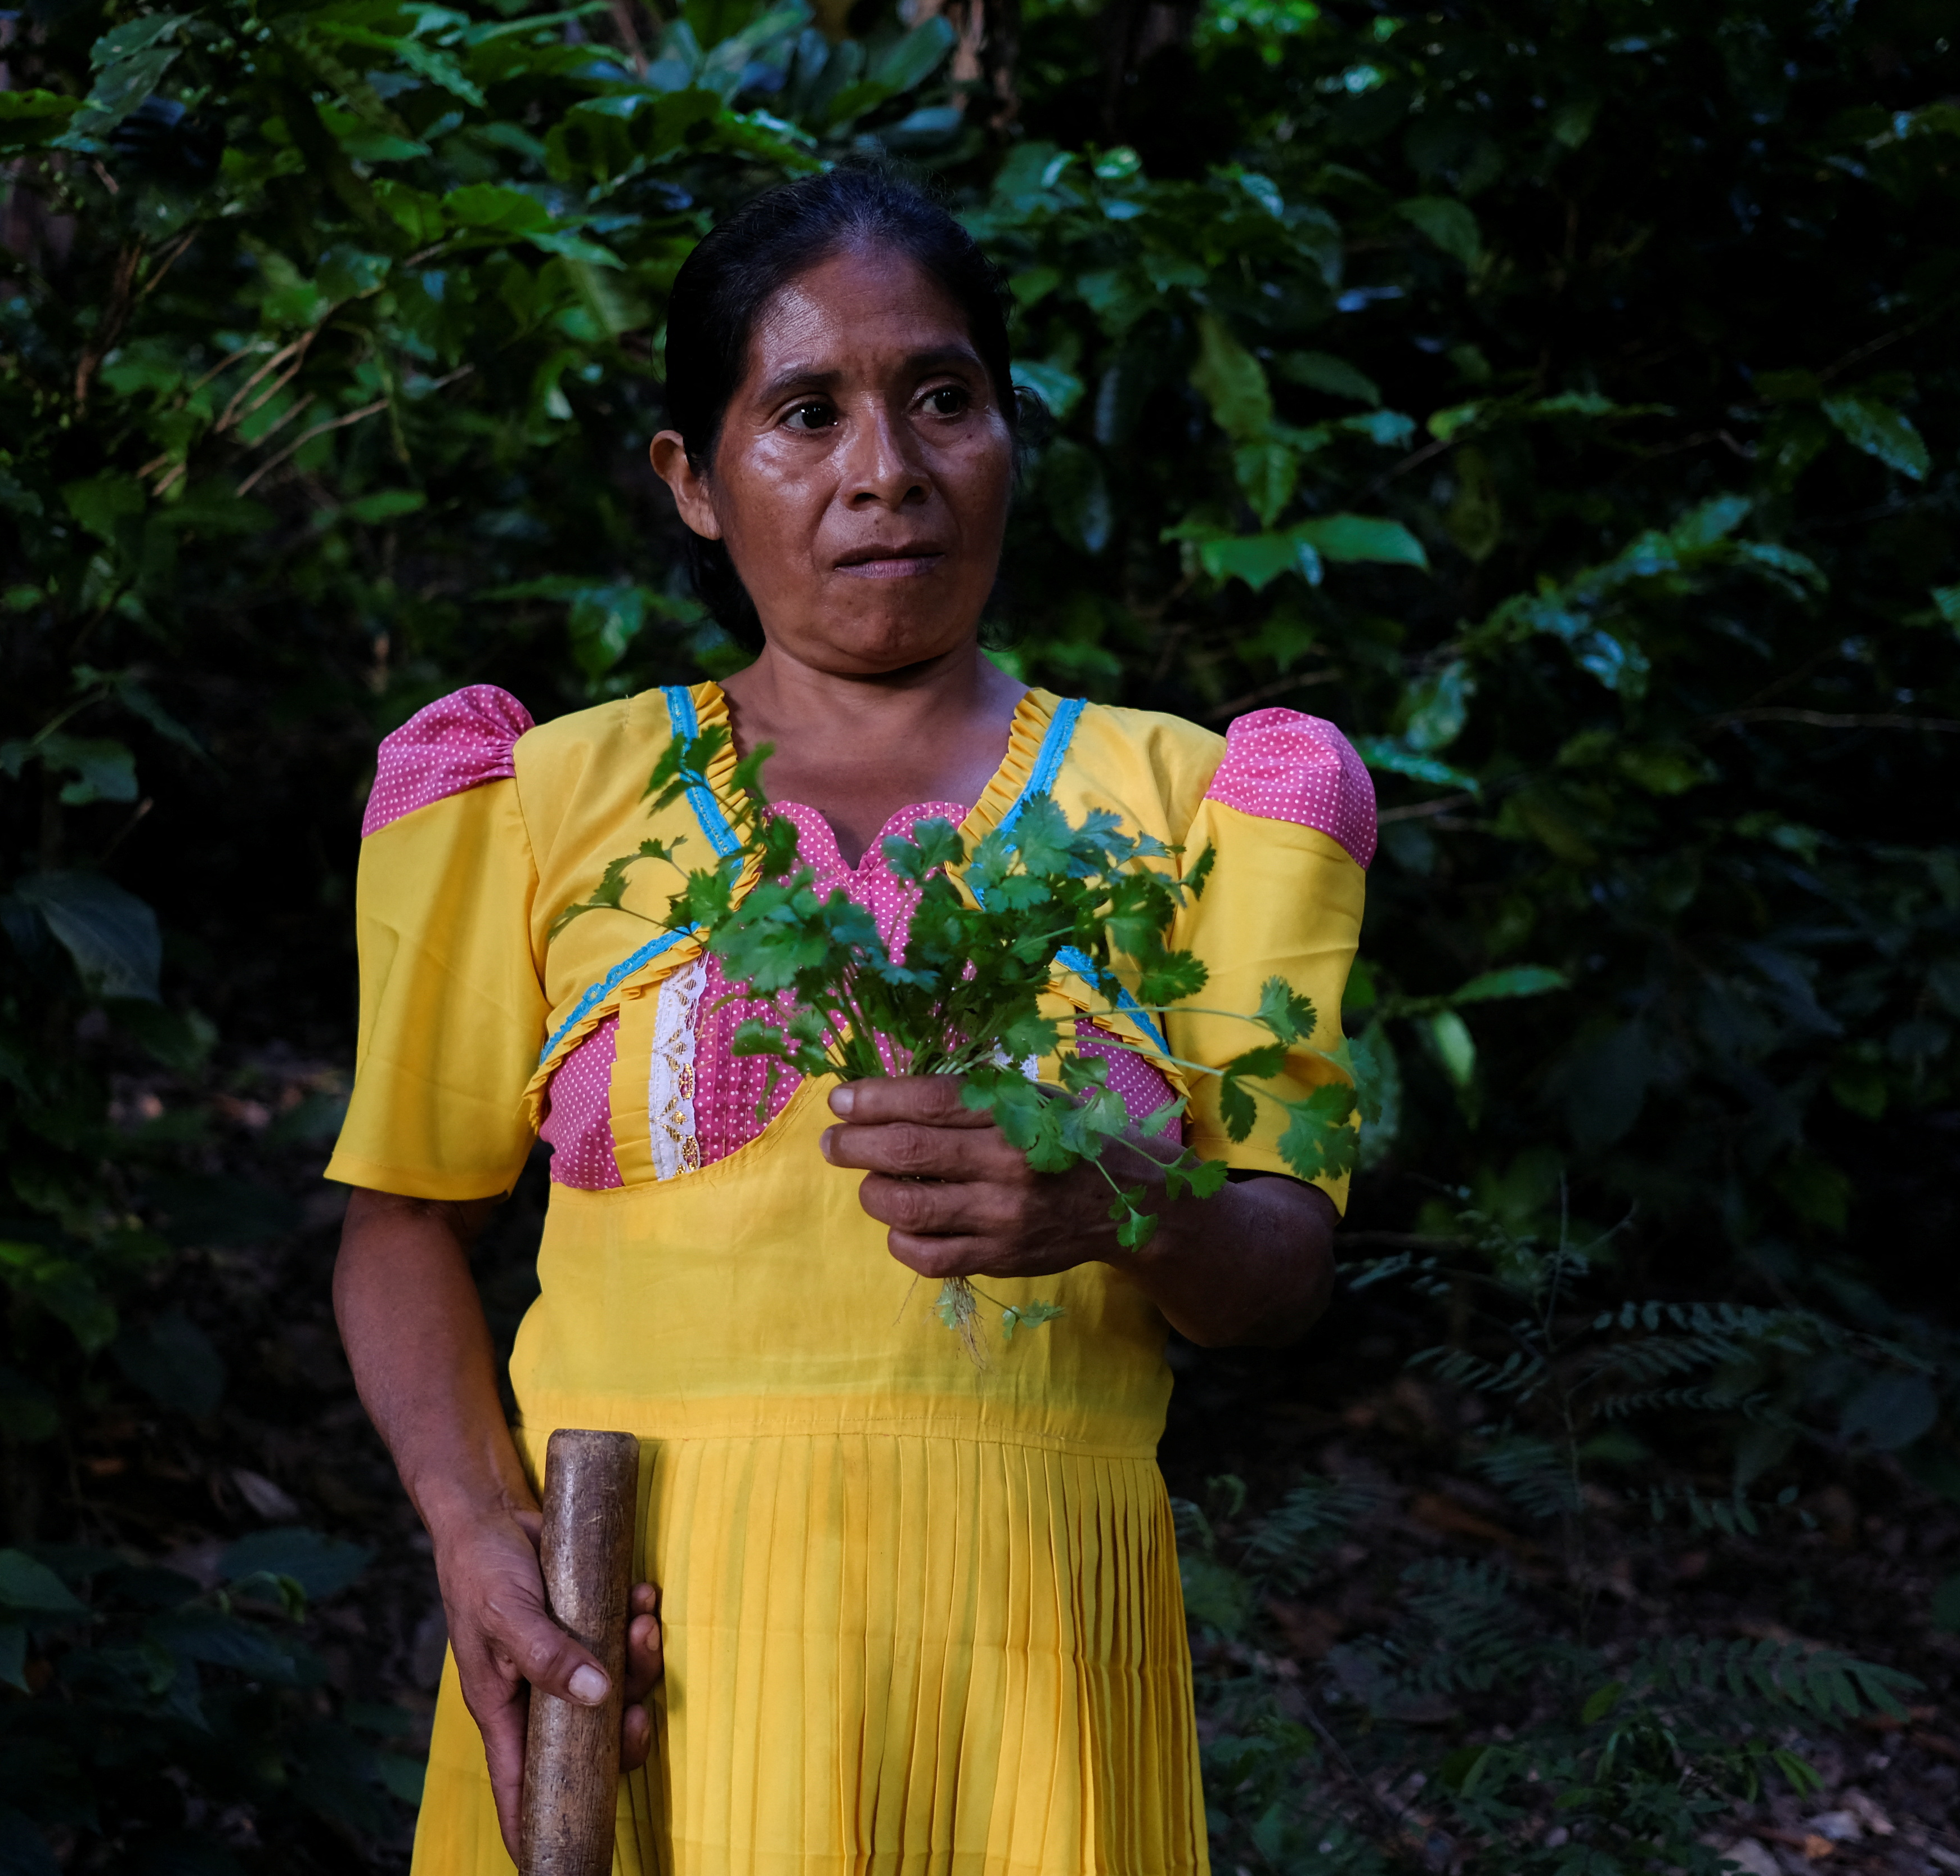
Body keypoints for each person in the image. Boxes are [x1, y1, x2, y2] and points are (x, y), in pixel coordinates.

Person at [328, 165, 1376, 1875]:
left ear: (1010, 434)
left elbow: (1282, 1268)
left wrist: (1122, 1198)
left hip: (1023, 1661)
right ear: (693, 479)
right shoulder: (542, 803)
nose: (883, 472)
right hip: (638, 1646)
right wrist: (471, 1530)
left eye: (941, 400)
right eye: (804, 413)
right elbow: (399, 1224)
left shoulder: (1201, 808)